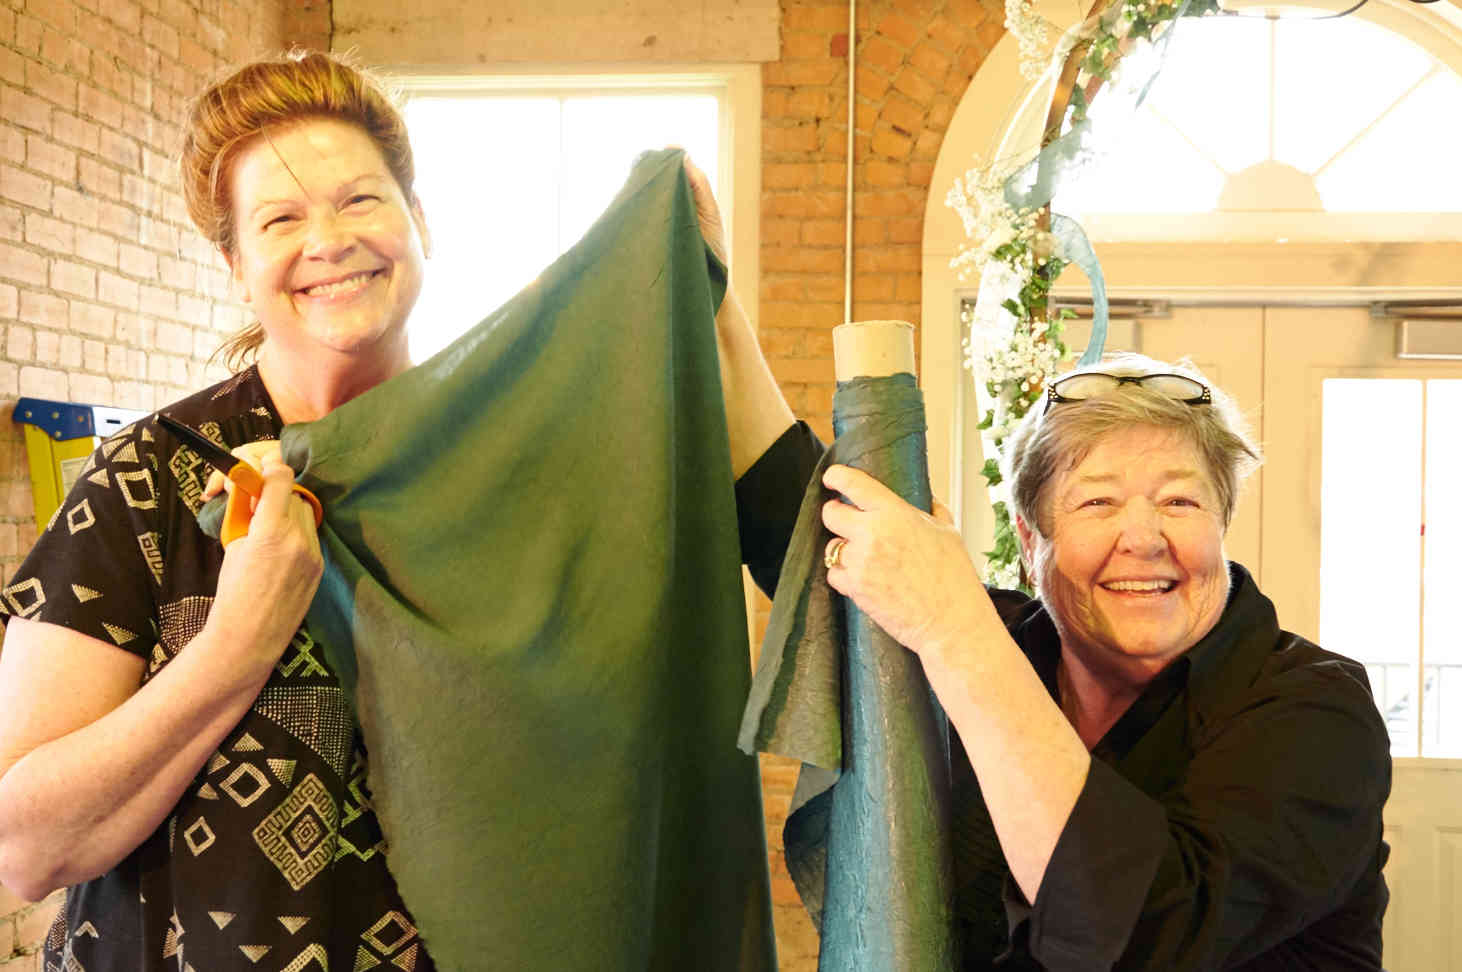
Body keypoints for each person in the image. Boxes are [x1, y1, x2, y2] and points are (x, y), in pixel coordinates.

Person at [0, 50, 794, 969]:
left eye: (360, 200)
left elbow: (778, 577)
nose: (328, 240)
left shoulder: (505, 467)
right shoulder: (150, 479)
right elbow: (25, 850)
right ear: (235, 265)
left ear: (420, 221)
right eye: (280, 219)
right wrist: (235, 648)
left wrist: (694, 295)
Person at [737, 354, 1391, 968]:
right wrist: (713, 300)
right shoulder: (1005, 640)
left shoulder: (1318, 714)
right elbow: (791, 522)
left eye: (1180, 501)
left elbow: (1140, 937)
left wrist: (952, 628)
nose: (1143, 538)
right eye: (1097, 502)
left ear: (1221, 527)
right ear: (1030, 541)